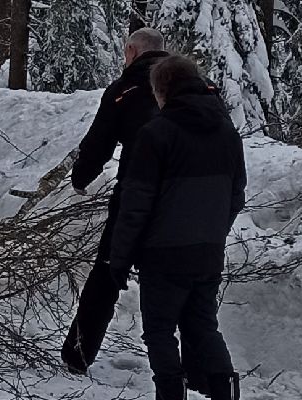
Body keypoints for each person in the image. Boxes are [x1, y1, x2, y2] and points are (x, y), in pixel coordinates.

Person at [107, 55, 246, 400]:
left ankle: (171, 394)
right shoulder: (227, 133)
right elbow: (236, 195)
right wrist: (214, 232)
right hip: (208, 252)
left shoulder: (156, 134)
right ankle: (226, 392)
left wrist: (119, 259)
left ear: (162, 91)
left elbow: (135, 205)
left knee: (159, 330)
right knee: (204, 326)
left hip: (163, 255)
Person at [59, 27, 173, 374]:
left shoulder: (126, 88)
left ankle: (78, 354)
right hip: (181, 201)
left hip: (133, 197)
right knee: (171, 280)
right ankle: (182, 368)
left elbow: (99, 141)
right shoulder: (189, 86)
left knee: (107, 274)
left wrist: (81, 178)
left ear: (132, 52)